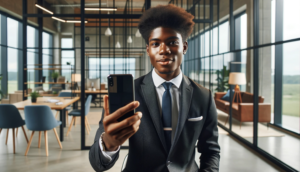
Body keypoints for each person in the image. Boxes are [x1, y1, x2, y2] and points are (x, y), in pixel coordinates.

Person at [89, 4, 220, 172]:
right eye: (156, 44)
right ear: (148, 50)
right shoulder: (131, 92)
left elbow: (211, 151)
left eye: (172, 42)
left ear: (184, 47)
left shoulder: (204, 96)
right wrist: (108, 144)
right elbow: (96, 163)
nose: (164, 50)